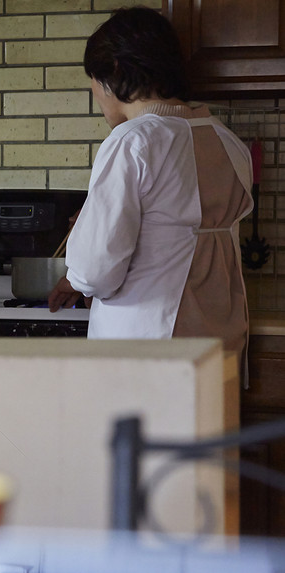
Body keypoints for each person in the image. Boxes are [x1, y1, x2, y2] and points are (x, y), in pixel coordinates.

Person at [48, 6, 253, 364]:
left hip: (146, 348)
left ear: (113, 70)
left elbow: (96, 268)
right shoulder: (229, 141)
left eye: (92, 81)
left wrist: (75, 278)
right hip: (220, 344)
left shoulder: (133, 141)